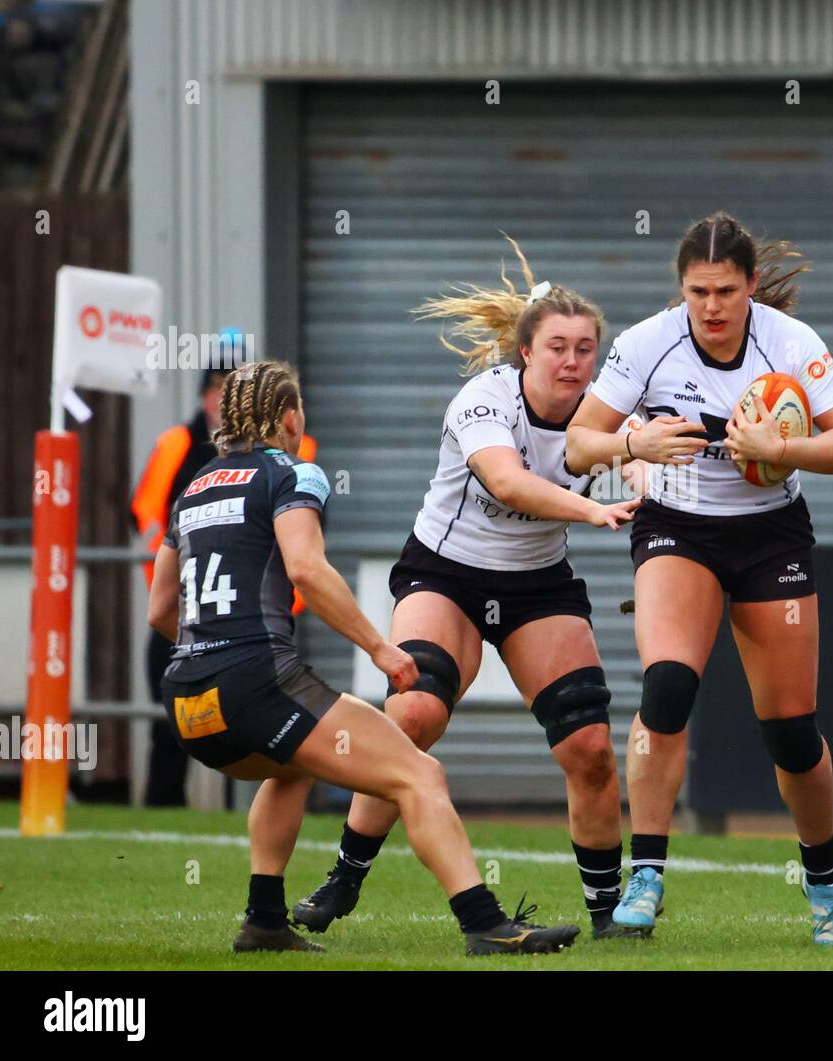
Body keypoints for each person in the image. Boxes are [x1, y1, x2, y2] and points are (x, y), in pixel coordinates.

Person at [147, 359, 579, 956]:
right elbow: (306, 568)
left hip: (187, 697)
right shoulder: (294, 474)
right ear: (291, 416)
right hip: (255, 683)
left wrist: (205, 656)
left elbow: (159, 608)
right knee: (419, 774)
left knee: (290, 765)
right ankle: (486, 924)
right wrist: (380, 648)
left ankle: (265, 920)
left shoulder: (194, 488)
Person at [292, 243, 646, 941]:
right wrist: (592, 509)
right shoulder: (485, 398)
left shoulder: (604, 413)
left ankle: (609, 916)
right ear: (524, 352)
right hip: (446, 572)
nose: (572, 361)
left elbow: (641, 466)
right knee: (415, 712)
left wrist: (654, 479)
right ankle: (344, 875)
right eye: (557, 347)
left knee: (590, 747)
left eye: (585, 348)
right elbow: (509, 483)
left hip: (537, 585)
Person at [565, 211, 833, 944]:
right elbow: (580, 446)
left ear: (752, 286)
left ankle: (825, 886)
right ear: (681, 288)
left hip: (771, 535)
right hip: (680, 526)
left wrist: (783, 448)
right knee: (667, 687)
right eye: (698, 291)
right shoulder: (647, 342)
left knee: (792, 733)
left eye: (725, 291)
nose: (710, 306)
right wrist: (632, 440)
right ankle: (646, 876)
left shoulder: (790, 342)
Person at [132, 342, 316, 805]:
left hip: (254, 626)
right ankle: (166, 810)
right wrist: (186, 592)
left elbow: (307, 553)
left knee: (275, 744)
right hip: (195, 619)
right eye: (213, 388)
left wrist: (275, 605)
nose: (219, 398)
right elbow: (146, 520)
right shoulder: (179, 445)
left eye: (228, 388)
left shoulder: (297, 456)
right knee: (186, 736)